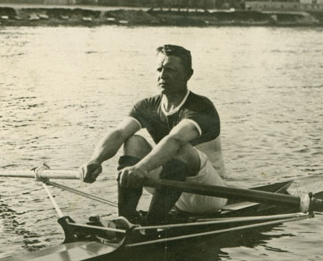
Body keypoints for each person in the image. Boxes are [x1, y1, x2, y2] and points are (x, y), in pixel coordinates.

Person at [82, 44, 227, 225]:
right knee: (133, 141)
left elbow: (175, 139)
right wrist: (95, 160)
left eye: (171, 70)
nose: (163, 75)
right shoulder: (147, 106)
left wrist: (141, 168)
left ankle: (154, 224)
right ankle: (126, 220)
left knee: (179, 147)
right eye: (159, 69)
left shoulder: (201, 107)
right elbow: (119, 133)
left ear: (188, 75)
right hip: (171, 185)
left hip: (207, 193)